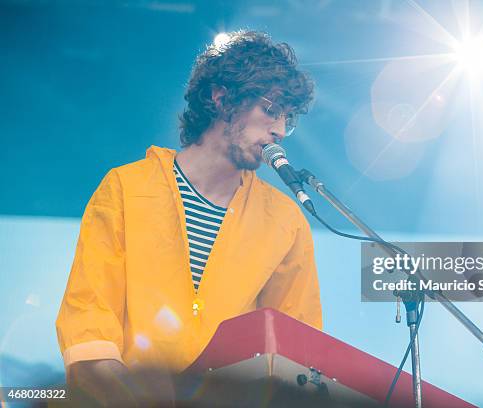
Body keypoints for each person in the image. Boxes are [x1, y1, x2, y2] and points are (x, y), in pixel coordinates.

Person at [56, 30, 322, 404]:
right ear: (221, 97)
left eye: (288, 119)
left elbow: (298, 354)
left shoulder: (286, 220)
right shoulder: (125, 187)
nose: (279, 129)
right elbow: (88, 325)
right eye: (270, 109)